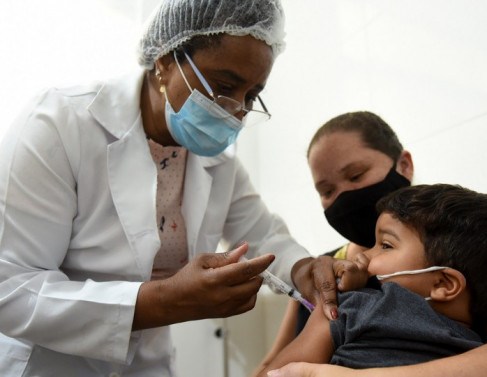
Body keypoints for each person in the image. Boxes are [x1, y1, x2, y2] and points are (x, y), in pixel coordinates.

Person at [0, 1, 330, 375]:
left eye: (251, 95)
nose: (236, 111)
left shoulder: (217, 163)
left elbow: (263, 234)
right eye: (224, 87)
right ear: (166, 61)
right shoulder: (59, 125)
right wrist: (165, 301)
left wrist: (304, 268)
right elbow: (10, 290)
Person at [258, 183, 487, 376]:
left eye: (385, 245)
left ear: (443, 284)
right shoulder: (347, 308)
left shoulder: (357, 306)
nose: (362, 256)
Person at [254, 111, 414, 374]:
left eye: (355, 176)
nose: (343, 198)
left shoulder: (448, 258)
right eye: (327, 191)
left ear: (404, 165)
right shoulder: (318, 276)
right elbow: (269, 367)